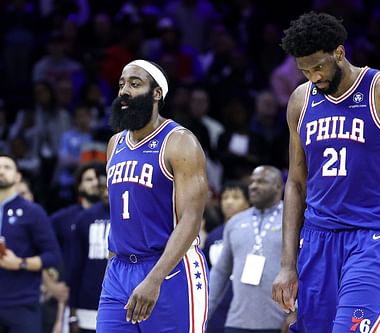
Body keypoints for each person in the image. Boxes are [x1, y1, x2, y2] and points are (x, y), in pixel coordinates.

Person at [271, 12, 380, 333]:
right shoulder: (300, 101)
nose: (313, 77)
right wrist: (287, 264)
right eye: (304, 70)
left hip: (374, 236)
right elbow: (294, 183)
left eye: (318, 67)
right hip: (317, 238)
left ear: (339, 53)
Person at [96, 59, 209, 332]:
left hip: (170, 269)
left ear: (156, 93)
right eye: (122, 84)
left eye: (135, 84)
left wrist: (155, 278)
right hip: (119, 271)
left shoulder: (179, 141)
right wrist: (114, 268)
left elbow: (191, 220)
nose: (124, 91)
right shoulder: (116, 143)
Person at [209, 166, 287, 333]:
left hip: (278, 323)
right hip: (237, 322)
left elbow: (305, 269)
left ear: (278, 187)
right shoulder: (235, 222)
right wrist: (203, 313)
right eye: (252, 181)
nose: (253, 186)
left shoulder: (292, 220)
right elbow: (220, 272)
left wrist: (296, 313)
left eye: (261, 181)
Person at [0, 154, 61, 333]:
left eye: (7, 167)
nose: (1, 171)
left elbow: (53, 256)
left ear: (18, 176)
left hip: (22, 304)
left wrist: (20, 263)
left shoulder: (32, 211)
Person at [203, 181, 250, 333]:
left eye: (236, 197)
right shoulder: (213, 236)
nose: (229, 202)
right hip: (218, 304)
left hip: (246, 302)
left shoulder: (257, 232)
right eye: (225, 197)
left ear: (248, 202)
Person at [69, 165, 109, 333]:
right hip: (88, 303)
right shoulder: (84, 218)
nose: (106, 192)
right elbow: (75, 266)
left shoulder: (133, 214)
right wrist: (72, 313)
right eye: (102, 188)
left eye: (109, 186)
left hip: (126, 302)